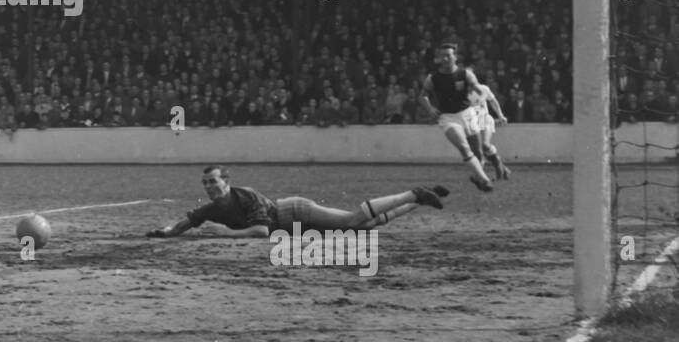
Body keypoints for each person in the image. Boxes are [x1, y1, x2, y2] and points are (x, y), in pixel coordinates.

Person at [145, 165, 448, 237]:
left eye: (214, 181)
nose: (209, 187)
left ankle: (415, 194)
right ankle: (420, 199)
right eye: (206, 183)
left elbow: (262, 232)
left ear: (227, 181)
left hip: (294, 211)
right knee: (363, 228)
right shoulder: (212, 207)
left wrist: (224, 234)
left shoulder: (245, 194)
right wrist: (167, 232)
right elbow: (189, 219)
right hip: (290, 224)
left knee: (350, 221)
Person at [420, 43, 494, 192]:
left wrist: (481, 99)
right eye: (443, 56)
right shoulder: (433, 79)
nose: (446, 58)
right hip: (448, 118)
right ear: (439, 58)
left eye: (449, 55)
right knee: (464, 148)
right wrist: (429, 108)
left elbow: (482, 91)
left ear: (455, 57)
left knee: (478, 152)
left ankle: (478, 177)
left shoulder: (465, 74)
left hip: (468, 114)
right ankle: (485, 180)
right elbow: (422, 96)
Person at [463, 81, 511, 181]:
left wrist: (500, 115)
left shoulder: (483, 88)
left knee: (485, 144)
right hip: (471, 122)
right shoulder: (460, 94)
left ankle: (493, 166)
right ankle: (502, 168)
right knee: (477, 149)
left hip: (484, 119)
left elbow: (493, 101)